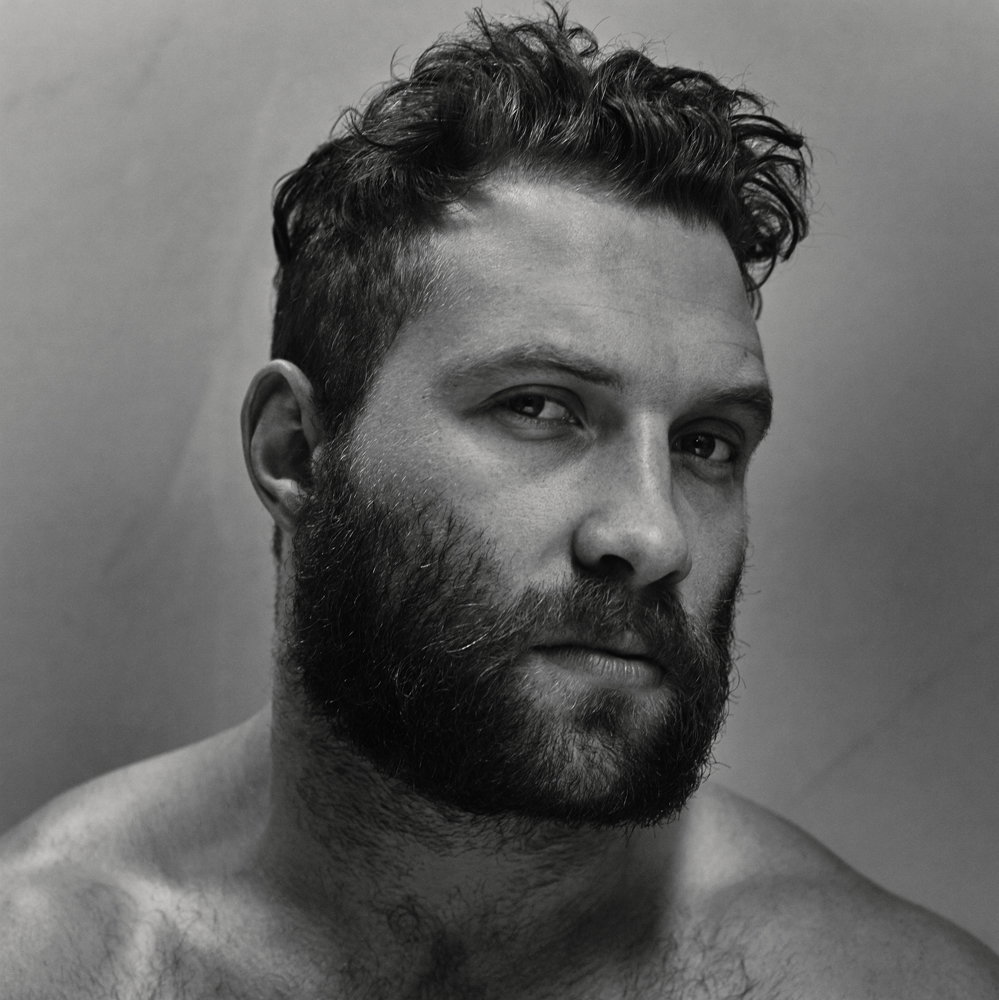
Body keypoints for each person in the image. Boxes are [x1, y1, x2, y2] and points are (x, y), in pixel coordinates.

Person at [1, 8, 996, 998]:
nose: (652, 534)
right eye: (538, 408)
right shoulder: (52, 962)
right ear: (294, 450)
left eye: (704, 443)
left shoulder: (874, 982)